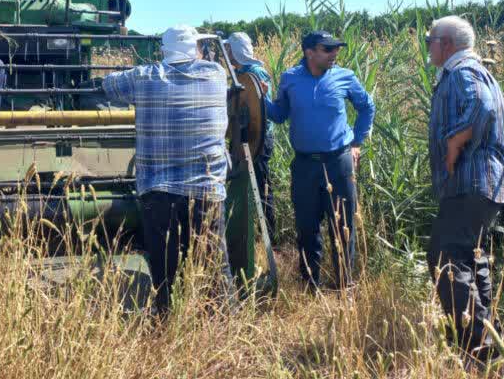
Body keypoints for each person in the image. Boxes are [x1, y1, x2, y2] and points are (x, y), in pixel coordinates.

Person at [101, 25, 232, 313]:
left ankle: (167, 319)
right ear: (196, 50)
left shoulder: (143, 77)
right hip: (206, 190)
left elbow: (108, 85)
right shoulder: (216, 75)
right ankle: (222, 323)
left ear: (164, 50)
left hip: (158, 192)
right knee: (213, 266)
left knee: (164, 267)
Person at [426, 15, 504, 367]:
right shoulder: (474, 70)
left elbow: (481, 106)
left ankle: (479, 348)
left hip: (470, 182)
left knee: (445, 257)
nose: (428, 45)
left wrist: (455, 144)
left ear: (446, 43)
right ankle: (486, 338)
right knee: (471, 259)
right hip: (481, 185)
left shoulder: (462, 72)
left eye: (430, 39)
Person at [265, 30, 374, 289]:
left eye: (336, 48)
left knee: (343, 225)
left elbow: (367, 106)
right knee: (306, 226)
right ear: (309, 52)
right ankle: (310, 284)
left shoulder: (345, 77)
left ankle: (344, 285)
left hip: (339, 162)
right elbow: (280, 115)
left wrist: (357, 142)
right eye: (328, 49)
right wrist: (259, 99)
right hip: (304, 165)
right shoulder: (290, 78)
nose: (334, 53)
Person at [228, 31, 276, 237]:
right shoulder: (238, 72)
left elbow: (258, 108)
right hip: (242, 134)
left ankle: (269, 232)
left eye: (229, 48)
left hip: (258, 137)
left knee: (261, 183)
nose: (226, 53)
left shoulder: (255, 72)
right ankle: (243, 228)